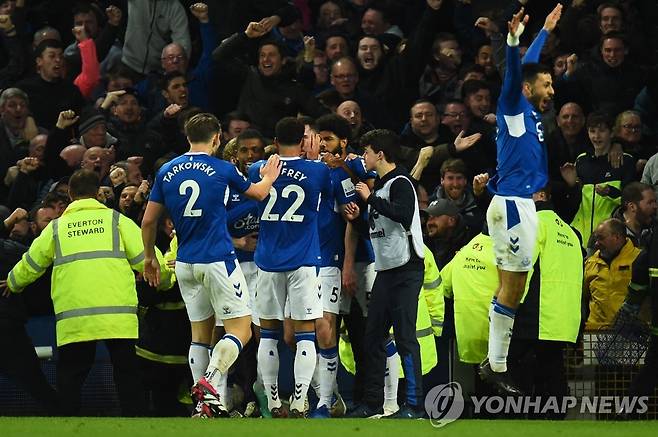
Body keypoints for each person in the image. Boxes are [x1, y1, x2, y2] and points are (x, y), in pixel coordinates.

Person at [142, 113, 281, 418]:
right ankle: (212, 381)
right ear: (217, 137)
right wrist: (269, 176)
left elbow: (149, 220)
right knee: (241, 330)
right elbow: (257, 193)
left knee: (200, 336)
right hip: (217, 259)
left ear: (187, 137)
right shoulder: (221, 168)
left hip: (185, 263)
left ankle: (202, 407)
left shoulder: (167, 170)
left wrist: (150, 257)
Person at [1, 169, 172, 416]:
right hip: (117, 315)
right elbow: (146, 257)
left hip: (75, 316)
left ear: (70, 194)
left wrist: (12, 283)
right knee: (127, 374)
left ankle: (69, 426)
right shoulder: (117, 221)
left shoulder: (57, 228)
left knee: (71, 376)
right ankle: (137, 424)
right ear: (97, 194)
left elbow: (32, 263)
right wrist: (165, 279)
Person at [479, 5, 562, 395]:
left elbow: (527, 68)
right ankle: (496, 364)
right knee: (513, 288)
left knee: (513, 286)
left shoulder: (526, 109)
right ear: (530, 89)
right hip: (513, 204)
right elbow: (517, 73)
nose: (552, 90)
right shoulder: (513, 105)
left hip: (518, 205)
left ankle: (495, 361)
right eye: (547, 85)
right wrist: (511, 40)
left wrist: (543, 32)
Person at [248, 117, 332, 418]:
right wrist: (312, 158)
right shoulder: (318, 170)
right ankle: (299, 401)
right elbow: (330, 192)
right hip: (304, 261)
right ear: (303, 140)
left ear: (274, 138)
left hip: (268, 261)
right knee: (305, 334)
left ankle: (272, 401)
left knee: (268, 333)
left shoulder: (257, 169)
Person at [344, 129, 425, 418]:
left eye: (366, 151)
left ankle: (414, 405)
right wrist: (359, 219)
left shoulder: (401, 182)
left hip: (406, 269)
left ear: (379, 153)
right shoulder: (381, 185)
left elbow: (402, 215)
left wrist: (369, 200)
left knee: (405, 337)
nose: (363, 157)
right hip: (386, 270)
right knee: (373, 337)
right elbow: (382, 231)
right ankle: (372, 402)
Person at [583, 218, 641, 330]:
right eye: (596, 239)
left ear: (617, 237)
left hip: (630, 333)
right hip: (595, 332)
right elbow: (585, 296)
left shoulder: (638, 259)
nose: (596, 243)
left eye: (601, 238)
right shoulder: (590, 263)